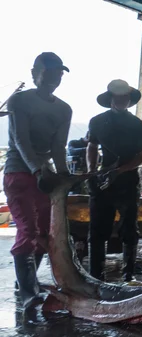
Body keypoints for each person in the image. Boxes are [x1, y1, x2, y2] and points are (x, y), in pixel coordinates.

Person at [4, 52, 72, 311]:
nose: (54, 77)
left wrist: (64, 173)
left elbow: (58, 146)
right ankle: (30, 293)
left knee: (45, 232)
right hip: (18, 172)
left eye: (58, 73)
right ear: (34, 74)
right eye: (48, 72)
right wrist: (36, 170)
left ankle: (26, 283)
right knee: (28, 230)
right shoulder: (19, 100)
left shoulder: (64, 109)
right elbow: (20, 139)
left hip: (46, 174)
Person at [86, 79, 142, 282]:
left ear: (129, 100)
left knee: (129, 229)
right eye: (118, 96)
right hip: (102, 179)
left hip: (128, 181)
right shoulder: (96, 121)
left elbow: (141, 156)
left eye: (125, 97)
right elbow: (92, 146)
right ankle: (96, 275)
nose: (121, 100)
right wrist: (91, 171)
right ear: (111, 98)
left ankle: (128, 274)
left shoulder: (138, 126)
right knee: (97, 229)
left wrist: (120, 170)